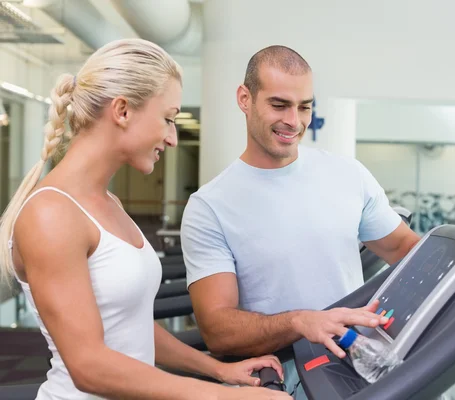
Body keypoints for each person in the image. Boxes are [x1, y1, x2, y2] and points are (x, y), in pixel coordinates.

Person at [0, 39, 291, 400]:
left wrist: (218, 370)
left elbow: (130, 326)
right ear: (122, 110)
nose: (172, 138)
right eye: (168, 118)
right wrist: (221, 396)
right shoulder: (51, 214)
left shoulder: (110, 203)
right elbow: (88, 365)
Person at [180, 45, 422, 398]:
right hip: (279, 379)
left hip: (354, 365)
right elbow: (217, 329)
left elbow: (404, 248)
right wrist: (300, 321)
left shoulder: (347, 174)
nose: (294, 121)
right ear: (244, 99)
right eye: (279, 105)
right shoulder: (209, 207)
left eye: (304, 106)